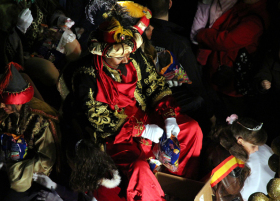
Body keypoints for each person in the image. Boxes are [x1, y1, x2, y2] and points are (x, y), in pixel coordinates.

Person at [63, 1, 203, 200]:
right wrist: (141, 130)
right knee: (139, 167)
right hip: (116, 135)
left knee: (192, 129)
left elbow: (154, 85)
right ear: (103, 53)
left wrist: (169, 115)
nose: (127, 60)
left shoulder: (134, 57)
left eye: (128, 54)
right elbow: (99, 120)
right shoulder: (85, 76)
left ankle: (179, 185)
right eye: (120, 57)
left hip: (144, 115)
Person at [0, 62, 61, 201]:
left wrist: (14, 168)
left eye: (5, 102)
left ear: (17, 102)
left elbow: (46, 161)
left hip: (27, 176)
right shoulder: (3, 113)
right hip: (2, 166)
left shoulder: (41, 122)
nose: (1, 105)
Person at [146, 0, 215, 132]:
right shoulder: (178, 43)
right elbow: (195, 83)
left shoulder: (137, 35)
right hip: (176, 108)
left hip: (146, 103)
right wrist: (210, 113)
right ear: (170, 4)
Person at [196, 0, 269, 119]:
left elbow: (225, 41)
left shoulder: (254, 21)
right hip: (219, 77)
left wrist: (200, 34)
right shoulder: (241, 7)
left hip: (231, 86)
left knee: (228, 123)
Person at [0, 0, 81, 86]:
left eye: (57, 38)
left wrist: (18, 31)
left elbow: (7, 55)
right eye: (60, 31)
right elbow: (48, 5)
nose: (55, 33)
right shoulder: (46, 24)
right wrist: (58, 17)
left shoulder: (29, 52)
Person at [200, 114, 268, 201]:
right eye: (253, 146)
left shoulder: (223, 143)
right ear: (240, 141)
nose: (257, 149)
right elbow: (232, 192)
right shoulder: (231, 162)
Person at [33, 138, 125, 201]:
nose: (68, 164)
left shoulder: (102, 193)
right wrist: (51, 184)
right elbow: (77, 197)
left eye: (69, 161)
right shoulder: (93, 174)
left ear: (80, 167)